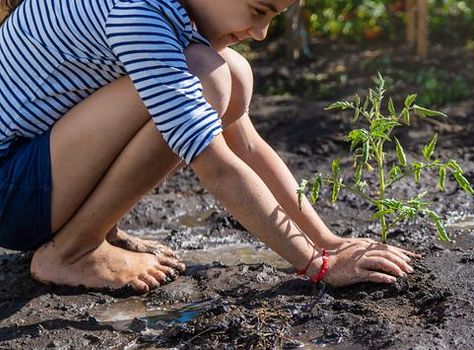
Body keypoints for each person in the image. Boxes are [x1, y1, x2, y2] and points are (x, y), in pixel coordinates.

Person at [0, 0, 418, 293]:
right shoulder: (136, 12)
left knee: (230, 71)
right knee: (206, 76)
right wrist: (317, 266)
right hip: (11, 197)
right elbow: (217, 166)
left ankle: (93, 231)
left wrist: (328, 241)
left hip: (36, 182)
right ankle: (74, 250)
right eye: (258, 10)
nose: (259, 32)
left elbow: (247, 147)